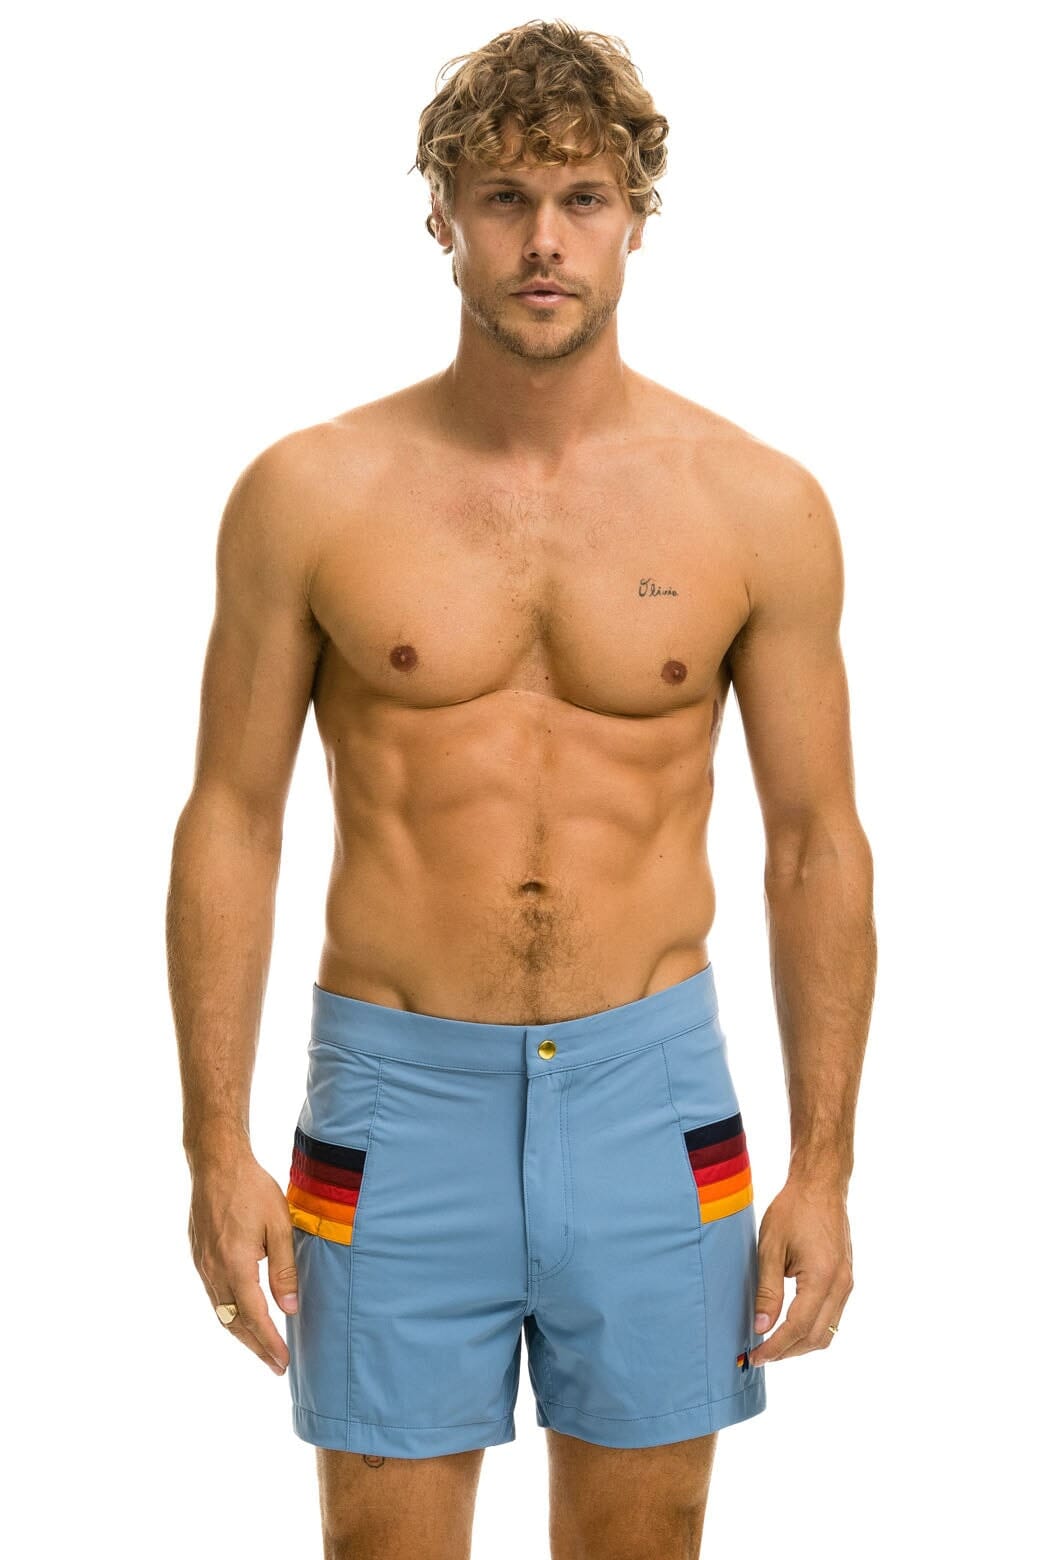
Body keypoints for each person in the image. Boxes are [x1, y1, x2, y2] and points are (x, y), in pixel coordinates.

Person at [167, 18, 875, 1560]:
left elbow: (815, 841)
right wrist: (212, 1142)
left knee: (648, 1540)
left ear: (636, 219)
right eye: (504, 199)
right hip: (390, 1102)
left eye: (582, 199)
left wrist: (825, 1165)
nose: (543, 241)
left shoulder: (757, 504)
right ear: (442, 216)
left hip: (656, 1099)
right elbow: (232, 815)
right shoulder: (310, 494)